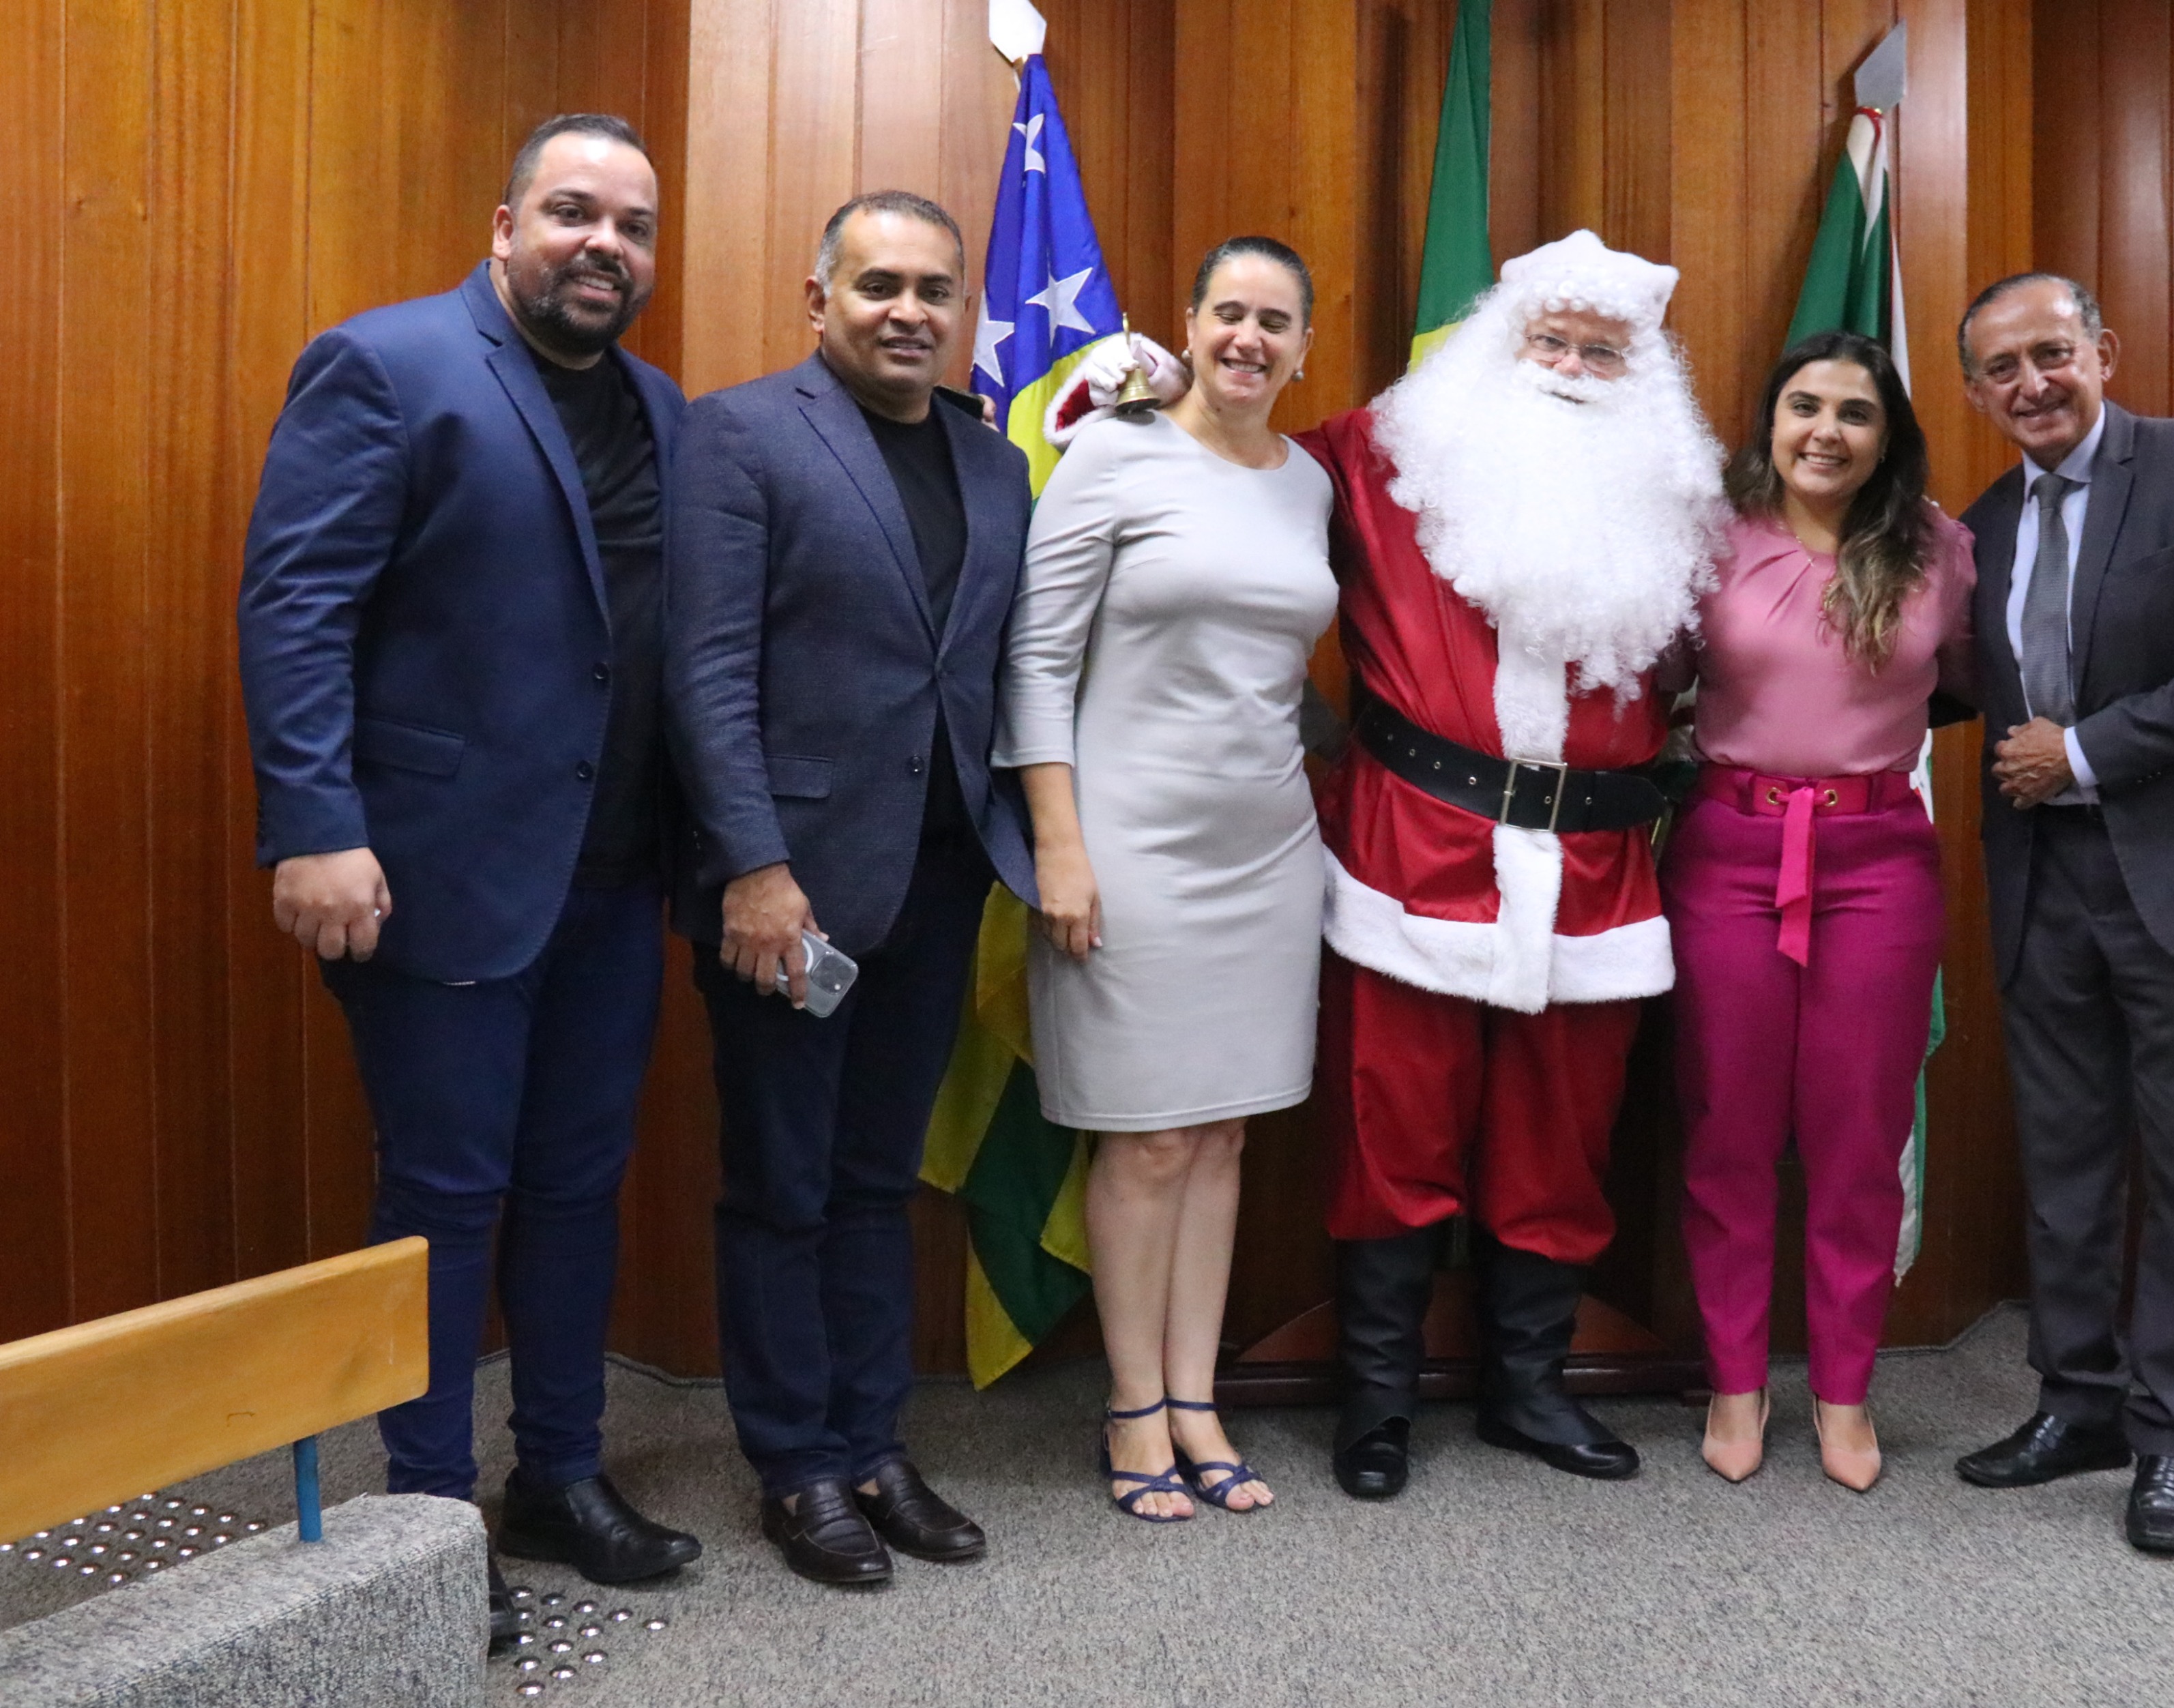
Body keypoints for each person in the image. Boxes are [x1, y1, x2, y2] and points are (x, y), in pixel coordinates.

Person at [237, 113, 701, 1646]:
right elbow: (296, 605)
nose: (604, 245)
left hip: (613, 879)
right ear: (505, 227)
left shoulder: (659, 409)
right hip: (435, 871)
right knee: (442, 1196)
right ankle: (431, 1525)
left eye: (633, 226)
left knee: (576, 1185)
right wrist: (314, 821)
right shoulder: (386, 366)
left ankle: (558, 1472)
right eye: (573, 212)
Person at [1296, 230, 1728, 1500]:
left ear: (1644, 378)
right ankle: (1377, 1399)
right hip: (1413, 852)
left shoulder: (1681, 502)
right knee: (1393, 1126)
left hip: (1596, 866)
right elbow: (1236, 466)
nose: (1572, 368)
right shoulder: (1381, 457)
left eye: (1604, 352)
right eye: (1551, 340)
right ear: (1502, 341)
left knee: (1562, 1137)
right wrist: (1149, 393)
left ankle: (1529, 1389)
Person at [664, 191, 1038, 1585]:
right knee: (784, 1183)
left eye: (935, 290)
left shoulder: (995, 463)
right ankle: (796, 1463)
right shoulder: (743, 434)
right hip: (792, 891)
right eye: (880, 285)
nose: (909, 312)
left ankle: (873, 1446)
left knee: (877, 1179)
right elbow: (706, 672)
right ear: (819, 298)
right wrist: (753, 868)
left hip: (937, 880)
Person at [1948, 273, 2174, 1555]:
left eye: (2051, 352)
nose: (2032, 383)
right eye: (2001, 369)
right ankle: (2080, 1403)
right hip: (2044, 880)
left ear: (2102, 350)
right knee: (2065, 1169)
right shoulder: (1983, 524)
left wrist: (2083, 751)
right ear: (1974, 393)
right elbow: (1935, 679)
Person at [999, 237, 1335, 1522]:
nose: (1250, 337)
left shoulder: (1308, 484)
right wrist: (1059, 843)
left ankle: (1198, 1397)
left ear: (1305, 347)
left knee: (1224, 1130)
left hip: (1269, 850)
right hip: (1126, 845)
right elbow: (1036, 660)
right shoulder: (1116, 454)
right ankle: (1133, 1404)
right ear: (1187, 325)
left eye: (1276, 320)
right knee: (1146, 1142)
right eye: (1229, 312)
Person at [1665, 332, 1978, 1492]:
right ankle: (1735, 1383)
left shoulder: (1940, 549)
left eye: (1856, 412)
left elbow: (1970, 679)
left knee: (1858, 1133)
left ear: (1888, 436)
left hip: (1878, 860)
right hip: (1728, 851)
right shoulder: (1709, 538)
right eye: (1805, 406)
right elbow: (1654, 680)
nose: (1826, 431)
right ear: (1771, 421)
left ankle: (1845, 1390)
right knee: (1729, 1128)